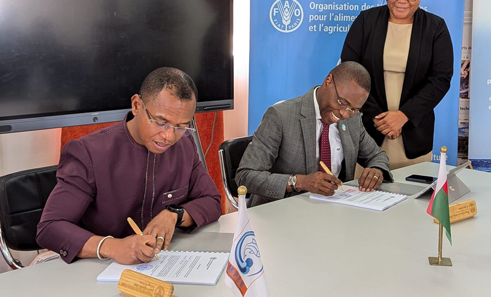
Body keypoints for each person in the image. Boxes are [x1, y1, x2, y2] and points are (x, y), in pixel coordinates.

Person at [37, 67, 222, 264]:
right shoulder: (89, 152)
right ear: (136, 105)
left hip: (161, 264)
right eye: (161, 122)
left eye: (181, 127)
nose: (169, 136)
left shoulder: (185, 145)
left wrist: (174, 215)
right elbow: (50, 227)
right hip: (98, 267)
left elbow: (212, 200)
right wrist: (113, 247)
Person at [340, 0, 453, 169]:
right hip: (367, 131)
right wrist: (380, 119)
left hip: (414, 133)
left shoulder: (435, 28)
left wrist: (404, 116)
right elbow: (349, 72)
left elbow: (440, 80)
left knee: (413, 198)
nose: (403, 0)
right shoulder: (366, 21)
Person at [236, 62, 392, 207]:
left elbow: (376, 156)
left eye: (353, 109)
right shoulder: (281, 116)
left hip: (332, 211)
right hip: (282, 211)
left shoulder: (353, 120)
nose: (345, 113)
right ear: (328, 81)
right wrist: (298, 182)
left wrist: (376, 171)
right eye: (342, 103)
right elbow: (246, 176)